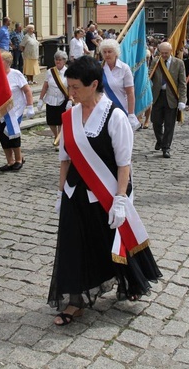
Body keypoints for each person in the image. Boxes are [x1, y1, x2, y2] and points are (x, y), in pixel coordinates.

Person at [48, 56, 161, 326]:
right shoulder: (70, 114)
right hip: (76, 192)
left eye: (75, 87)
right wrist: (61, 191)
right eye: (69, 87)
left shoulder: (115, 116)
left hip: (107, 192)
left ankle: (130, 281)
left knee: (110, 242)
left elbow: (124, 164)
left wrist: (120, 200)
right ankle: (76, 301)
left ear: (94, 84)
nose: (71, 92)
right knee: (73, 246)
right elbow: (65, 158)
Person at [0, 51, 35, 171]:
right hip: (0, 111)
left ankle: (19, 159)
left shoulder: (16, 74)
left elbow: (27, 90)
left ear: (7, 62)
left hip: (15, 110)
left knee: (13, 135)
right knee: (3, 136)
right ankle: (10, 161)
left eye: (0, 60)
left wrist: (30, 106)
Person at [150, 41, 187, 158]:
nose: (164, 55)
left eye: (166, 53)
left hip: (171, 97)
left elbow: (182, 83)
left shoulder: (179, 63)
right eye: (162, 53)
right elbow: (149, 75)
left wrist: (182, 100)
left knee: (169, 124)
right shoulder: (156, 61)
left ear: (171, 52)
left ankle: (166, 147)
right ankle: (160, 140)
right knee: (156, 122)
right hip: (158, 95)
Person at [100, 39, 140, 130]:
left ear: (116, 53)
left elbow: (130, 93)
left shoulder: (124, 68)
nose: (107, 54)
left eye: (109, 52)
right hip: (104, 110)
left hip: (121, 109)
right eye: (104, 52)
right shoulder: (99, 68)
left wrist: (131, 114)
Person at [38, 50, 69, 144]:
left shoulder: (68, 72)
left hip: (62, 99)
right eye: (56, 59)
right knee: (51, 121)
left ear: (64, 61)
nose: (57, 61)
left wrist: (71, 100)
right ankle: (56, 135)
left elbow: (71, 87)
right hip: (51, 99)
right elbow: (45, 86)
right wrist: (40, 99)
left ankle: (59, 140)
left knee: (60, 122)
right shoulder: (50, 71)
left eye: (60, 60)